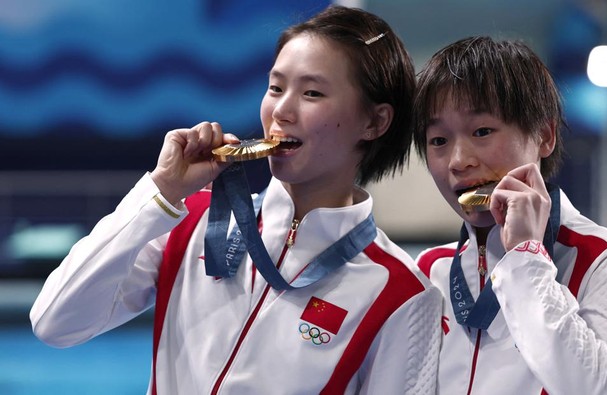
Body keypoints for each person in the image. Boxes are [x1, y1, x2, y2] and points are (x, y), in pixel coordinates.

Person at [30, 6, 442, 394]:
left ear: (374, 121)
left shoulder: (401, 291)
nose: (281, 110)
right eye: (275, 87)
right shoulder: (188, 221)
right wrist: (160, 192)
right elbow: (55, 323)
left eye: (312, 93)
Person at [413, 36, 607, 395]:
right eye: (438, 141)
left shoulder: (605, 259)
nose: (458, 161)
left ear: (544, 135)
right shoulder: (431, 270)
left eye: (482, 131)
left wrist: (525, 259)